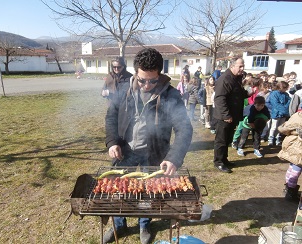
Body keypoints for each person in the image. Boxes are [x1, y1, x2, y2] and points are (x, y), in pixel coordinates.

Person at [104, 48, 193, 244]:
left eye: (152, 81)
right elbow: (111, 117)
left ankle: (144, 223)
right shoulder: (123, 90)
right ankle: (119, 224)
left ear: (159, 74)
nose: (146, 85)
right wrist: (112, 142)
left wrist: (174, 157)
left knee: (148, 191)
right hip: (124, 150)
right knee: (120, 189)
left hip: (154, 153)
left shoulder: (171, 95)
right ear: (135, 72)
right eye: (142, 80)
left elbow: (184, 128)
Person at [213, 57, 248, 173]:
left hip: (232, 116)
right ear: (232, 66)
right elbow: (219, 99)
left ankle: (224, 159)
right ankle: (218, 162)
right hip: (224, 117)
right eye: (240, 66)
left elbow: (238, 93)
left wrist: (249, 93)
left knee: (227, 139)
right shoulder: (225, 79)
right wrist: (226, 115)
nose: (242, 69)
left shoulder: (236, 78)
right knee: (221, 140)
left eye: (243, 66)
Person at [278, 109, 302, 202]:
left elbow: (284, 128)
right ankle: (290, 193)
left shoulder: (296, 115)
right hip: (298, 147)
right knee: (296, 169)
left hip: (292, 145)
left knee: (293, 167)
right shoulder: (298, 117)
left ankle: (288, 188)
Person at [268, 81, 291, 146]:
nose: (286, 89)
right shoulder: (274, 94)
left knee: (280, 127)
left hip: (283, 114)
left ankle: (277, 138)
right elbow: (275, 104)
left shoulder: (286, 94)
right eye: (285, 88)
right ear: (281, 87)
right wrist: (283, 109)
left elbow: (289, 101)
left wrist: (285, 109)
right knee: (274, 127)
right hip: (276, 113)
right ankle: (271, 139)